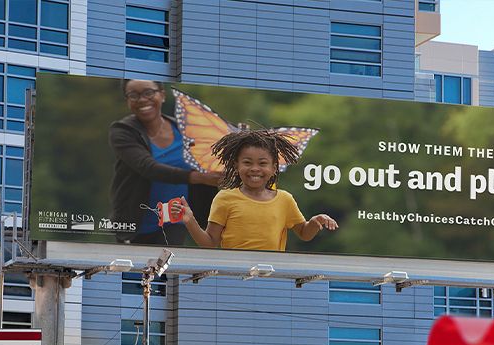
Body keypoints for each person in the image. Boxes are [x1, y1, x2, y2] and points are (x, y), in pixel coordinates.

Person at [170, 129, 338, 251]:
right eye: (248, 163)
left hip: (272, 277)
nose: (255, 169)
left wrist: (316, 222)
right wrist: (190, 221)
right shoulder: (224, 199)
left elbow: (304, 233)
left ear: (274, 168)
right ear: (236, 166)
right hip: (233, 275)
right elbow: (210, 242)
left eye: (262, 163)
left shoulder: (285, 200)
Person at [109, 79, 223, 245]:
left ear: (162, 95)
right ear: (127, 101)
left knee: (167, 268)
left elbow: (208, 159)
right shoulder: (122, 131)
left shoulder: (184, 131)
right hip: (134, 224)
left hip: (173, 221)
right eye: (133, 95)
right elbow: (149, 168)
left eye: (148, 92)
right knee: (134, 271)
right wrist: (199, 177)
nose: (142, 99)